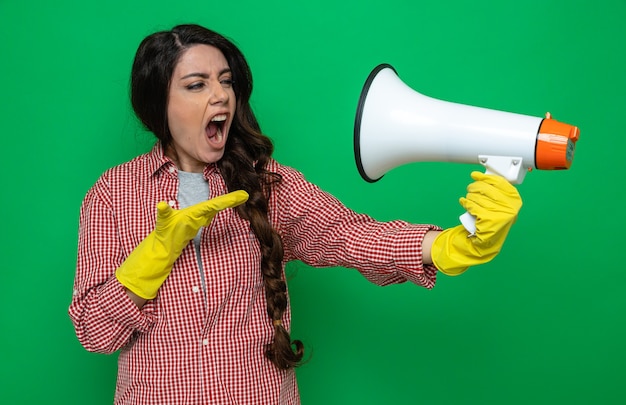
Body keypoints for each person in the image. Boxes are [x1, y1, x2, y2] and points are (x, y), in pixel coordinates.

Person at [68, 23, 522, 405]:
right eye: (196, 85)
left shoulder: (265, 182)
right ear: (157, 104)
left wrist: (447, 244)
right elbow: (93, 332)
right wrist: (152, 257)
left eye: (225, 81)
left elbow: (347, 235)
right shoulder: (113, 196)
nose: (220, 96)